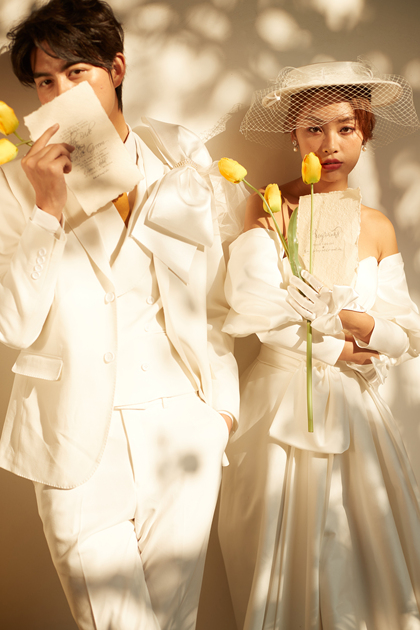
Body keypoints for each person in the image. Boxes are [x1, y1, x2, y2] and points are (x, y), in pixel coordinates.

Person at [0, 1, 239, 629]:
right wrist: (47, 210)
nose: (60, 93)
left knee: (174, 620)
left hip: (181, 429)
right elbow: (13, 325)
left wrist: (219, 413)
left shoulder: (178, 162)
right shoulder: (15, 186)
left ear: (117, 69)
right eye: (45, 81)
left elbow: (212, 301)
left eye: (76, 72)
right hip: (77, 437)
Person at [218, 60, 420, 630]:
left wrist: (354, 323)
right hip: (280, 404)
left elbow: (405, 332)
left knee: (361, 553)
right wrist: (335, 348)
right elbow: (254, 307)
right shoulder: (268, 206)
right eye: (313, 129)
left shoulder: (377, 225)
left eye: (345, 128)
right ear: (294, 136)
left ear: (364, 132)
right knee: (277, 558)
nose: (329, 144)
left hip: (358, 410)